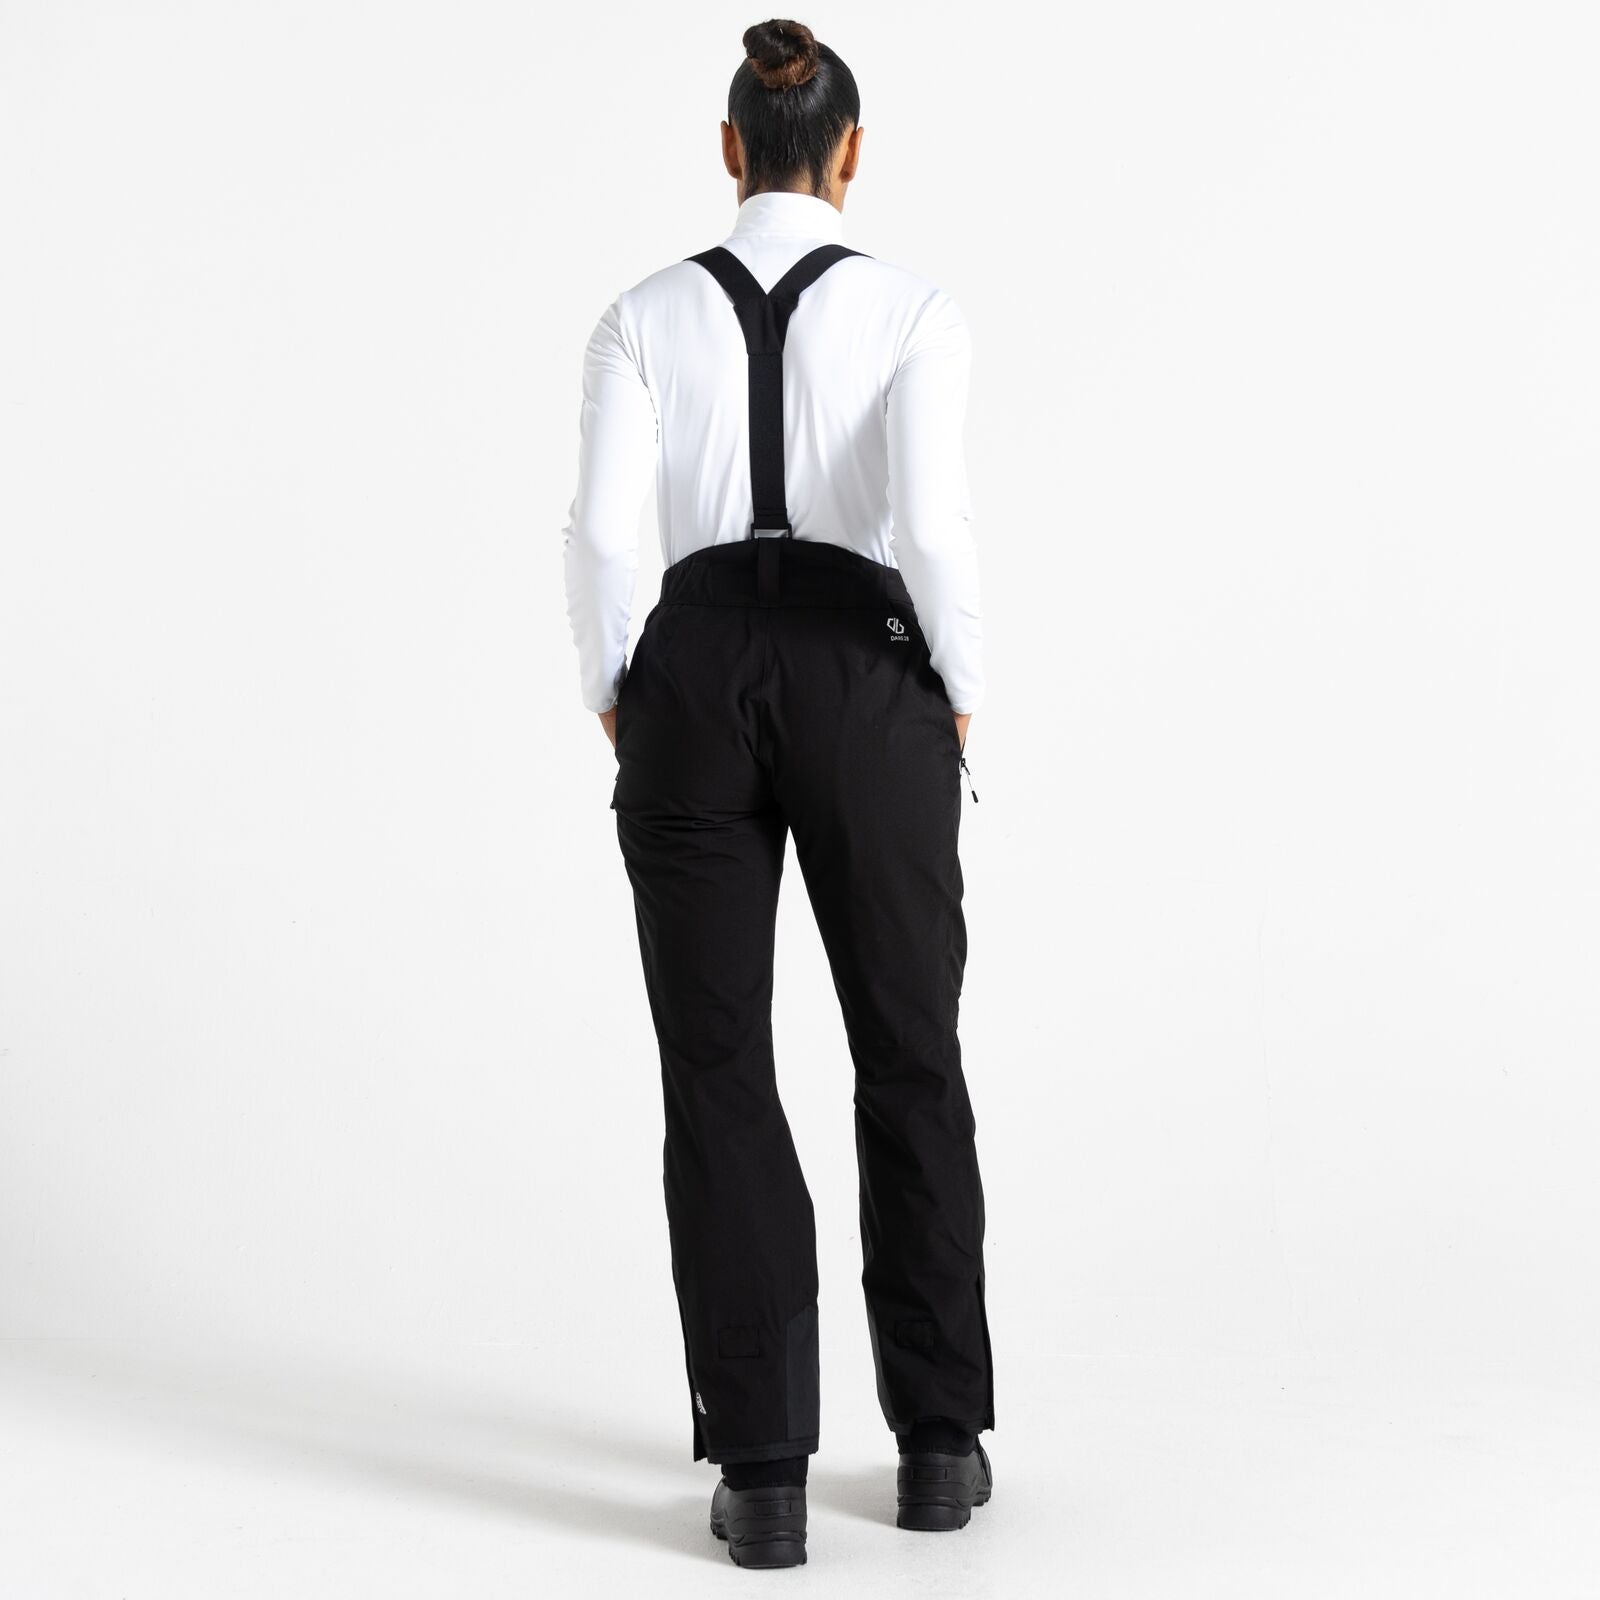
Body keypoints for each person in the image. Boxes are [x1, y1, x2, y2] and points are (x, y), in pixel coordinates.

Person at [560, 17, 994, 1568]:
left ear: (731, 148)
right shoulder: (914, 310)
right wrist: (959, 685)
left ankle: (762, 1478)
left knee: (717, 1065)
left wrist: (619, 688)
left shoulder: (638, 315)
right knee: (909, 1045)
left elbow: (605, 534)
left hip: (687, 671)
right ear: (851, 153)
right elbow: (929, 524)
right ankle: (937, 1445)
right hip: (864, 665)